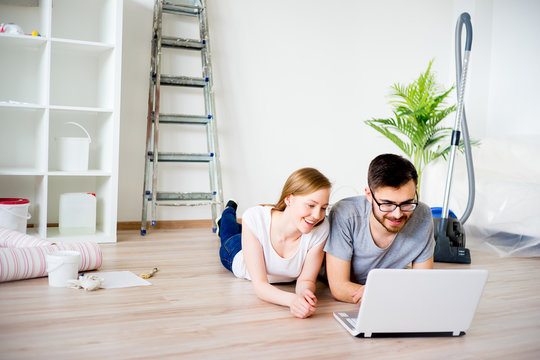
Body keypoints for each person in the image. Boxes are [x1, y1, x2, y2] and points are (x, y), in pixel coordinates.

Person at [218, 168, 331, 319]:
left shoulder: (321, 228)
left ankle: (238, 226)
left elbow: (306, 280)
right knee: (228, 231)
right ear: (289, 199)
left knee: (244, 229)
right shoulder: (254, 217)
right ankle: (228, 211)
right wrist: (292, 300)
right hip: (236, 253)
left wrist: (305, 295)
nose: (318, 215)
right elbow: (260, 286)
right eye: (311, 205)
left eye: (323, 208)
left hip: (262, 233)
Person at [324, 153, 434, 304]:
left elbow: (423, 283)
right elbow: (339, 287)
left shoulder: (423, 215)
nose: (397, 214)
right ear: (369, 195)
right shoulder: (345, 214)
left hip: (386, 293)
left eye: (407, 203)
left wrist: (381, 293)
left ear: (415, 190)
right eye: (387, 204)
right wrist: (383, 294)